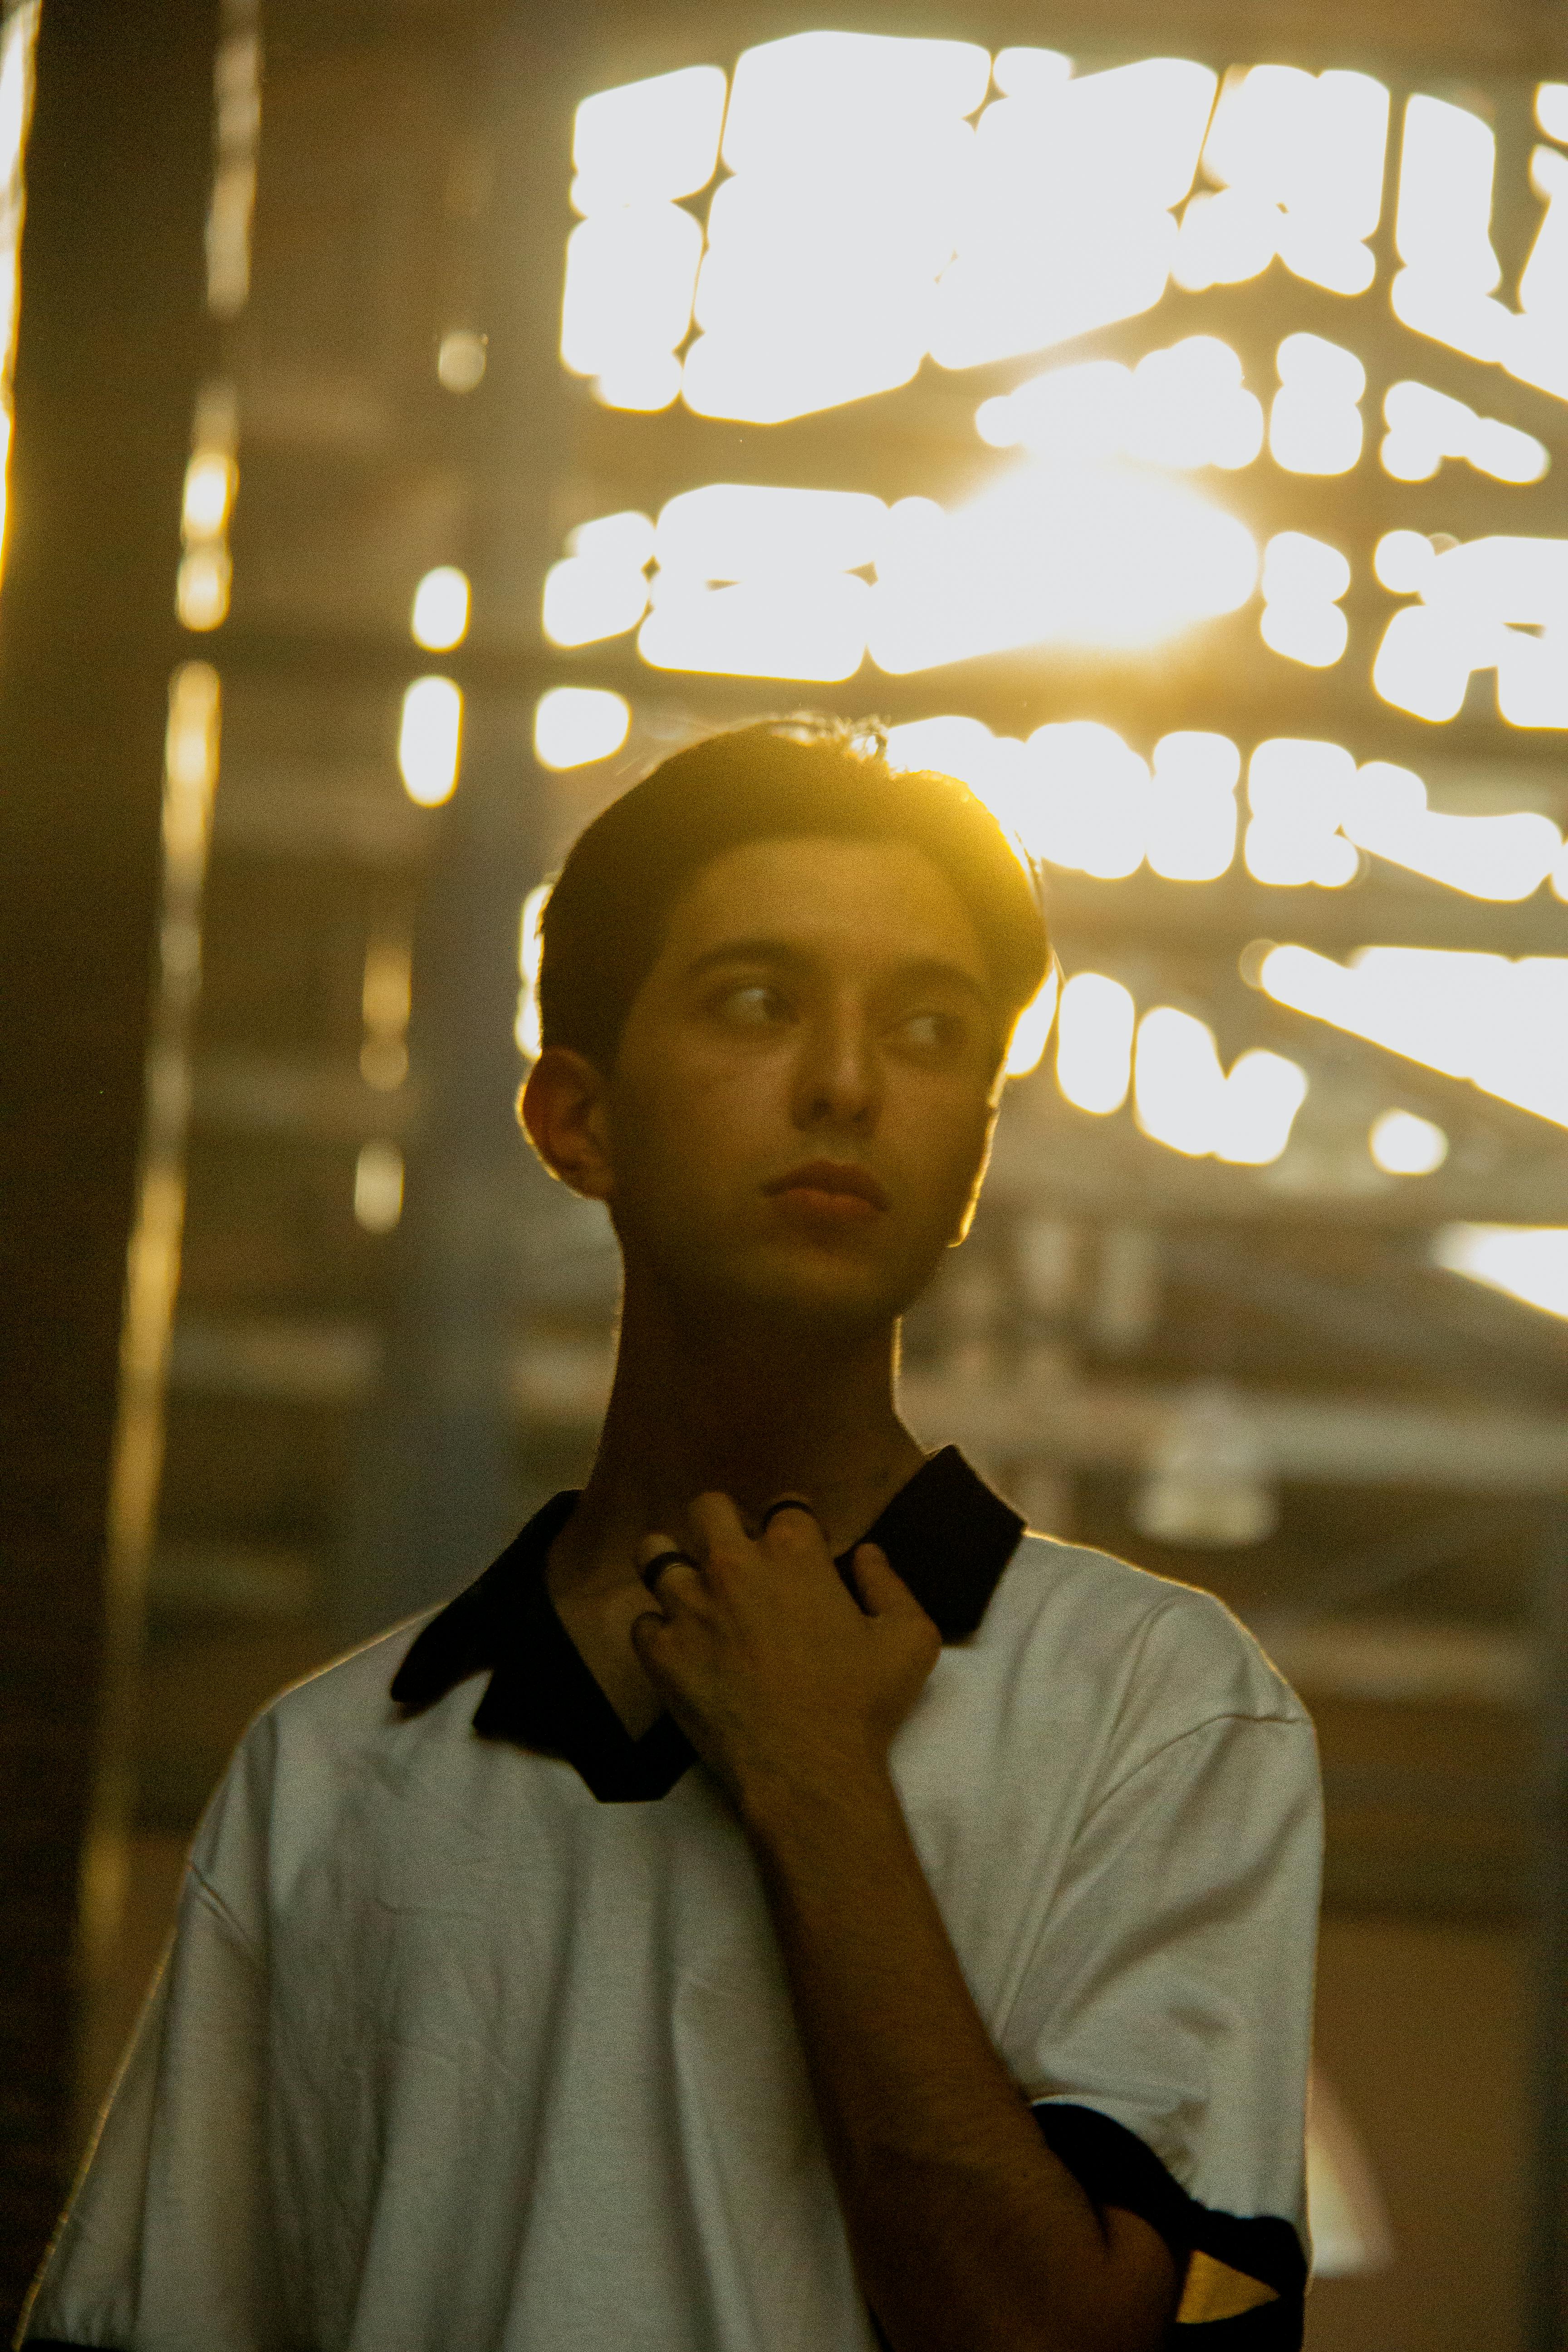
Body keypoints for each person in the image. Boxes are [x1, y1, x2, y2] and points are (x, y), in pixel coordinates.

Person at [22, 720, 1320, 2352]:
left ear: (976, 1152)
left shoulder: (1164, 1704)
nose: (848, 1082)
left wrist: (819, 1784)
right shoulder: (332, 1771)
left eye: (929, 1029)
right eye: (760, 1002)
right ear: (578, 1119)